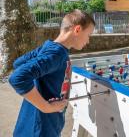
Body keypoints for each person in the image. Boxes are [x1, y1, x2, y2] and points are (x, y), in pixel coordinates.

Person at [9, 9, 95, 137]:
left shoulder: (50, 48)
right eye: (88, 35)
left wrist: (41, 51)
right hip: (40, 130)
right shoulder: (57, 53)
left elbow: (17, 63)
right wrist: (46, 107)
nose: (88, 41)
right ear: (77, 30)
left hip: (43, 126)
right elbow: (18, 77)